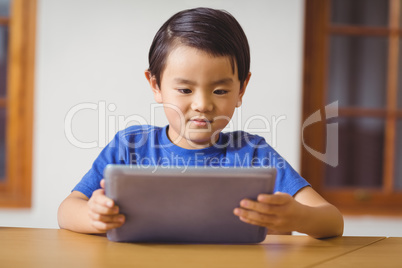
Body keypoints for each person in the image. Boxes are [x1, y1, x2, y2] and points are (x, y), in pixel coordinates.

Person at [58, 7, 343, 238]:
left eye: (220, 91)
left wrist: (299, 216)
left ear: (241, 90)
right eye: (184, 90)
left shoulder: (253, 153)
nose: (203, 104)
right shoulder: (130, 146)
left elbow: (332, 221)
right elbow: (67, 210)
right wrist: (94, 216)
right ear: (155, 86)